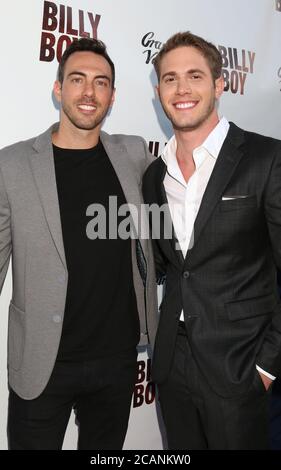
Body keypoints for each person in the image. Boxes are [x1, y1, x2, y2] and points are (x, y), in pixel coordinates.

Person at [0, 37, 158, 450]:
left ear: (112, 96)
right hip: (42, 363)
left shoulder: (135, 153)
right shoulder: (11, 165)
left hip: (117, 360)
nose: (89, 92)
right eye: (77, 80)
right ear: (58, 89)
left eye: (101, 82)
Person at [143, 31, 281, 449]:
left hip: (240, 367)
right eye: (170, 79)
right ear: (158, 91)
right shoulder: (154, 175)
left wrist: (266, 366)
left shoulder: (266, 159)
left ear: (219, 85)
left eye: (195, 76)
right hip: (173, 364)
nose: (182, 89)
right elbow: (170, 266)